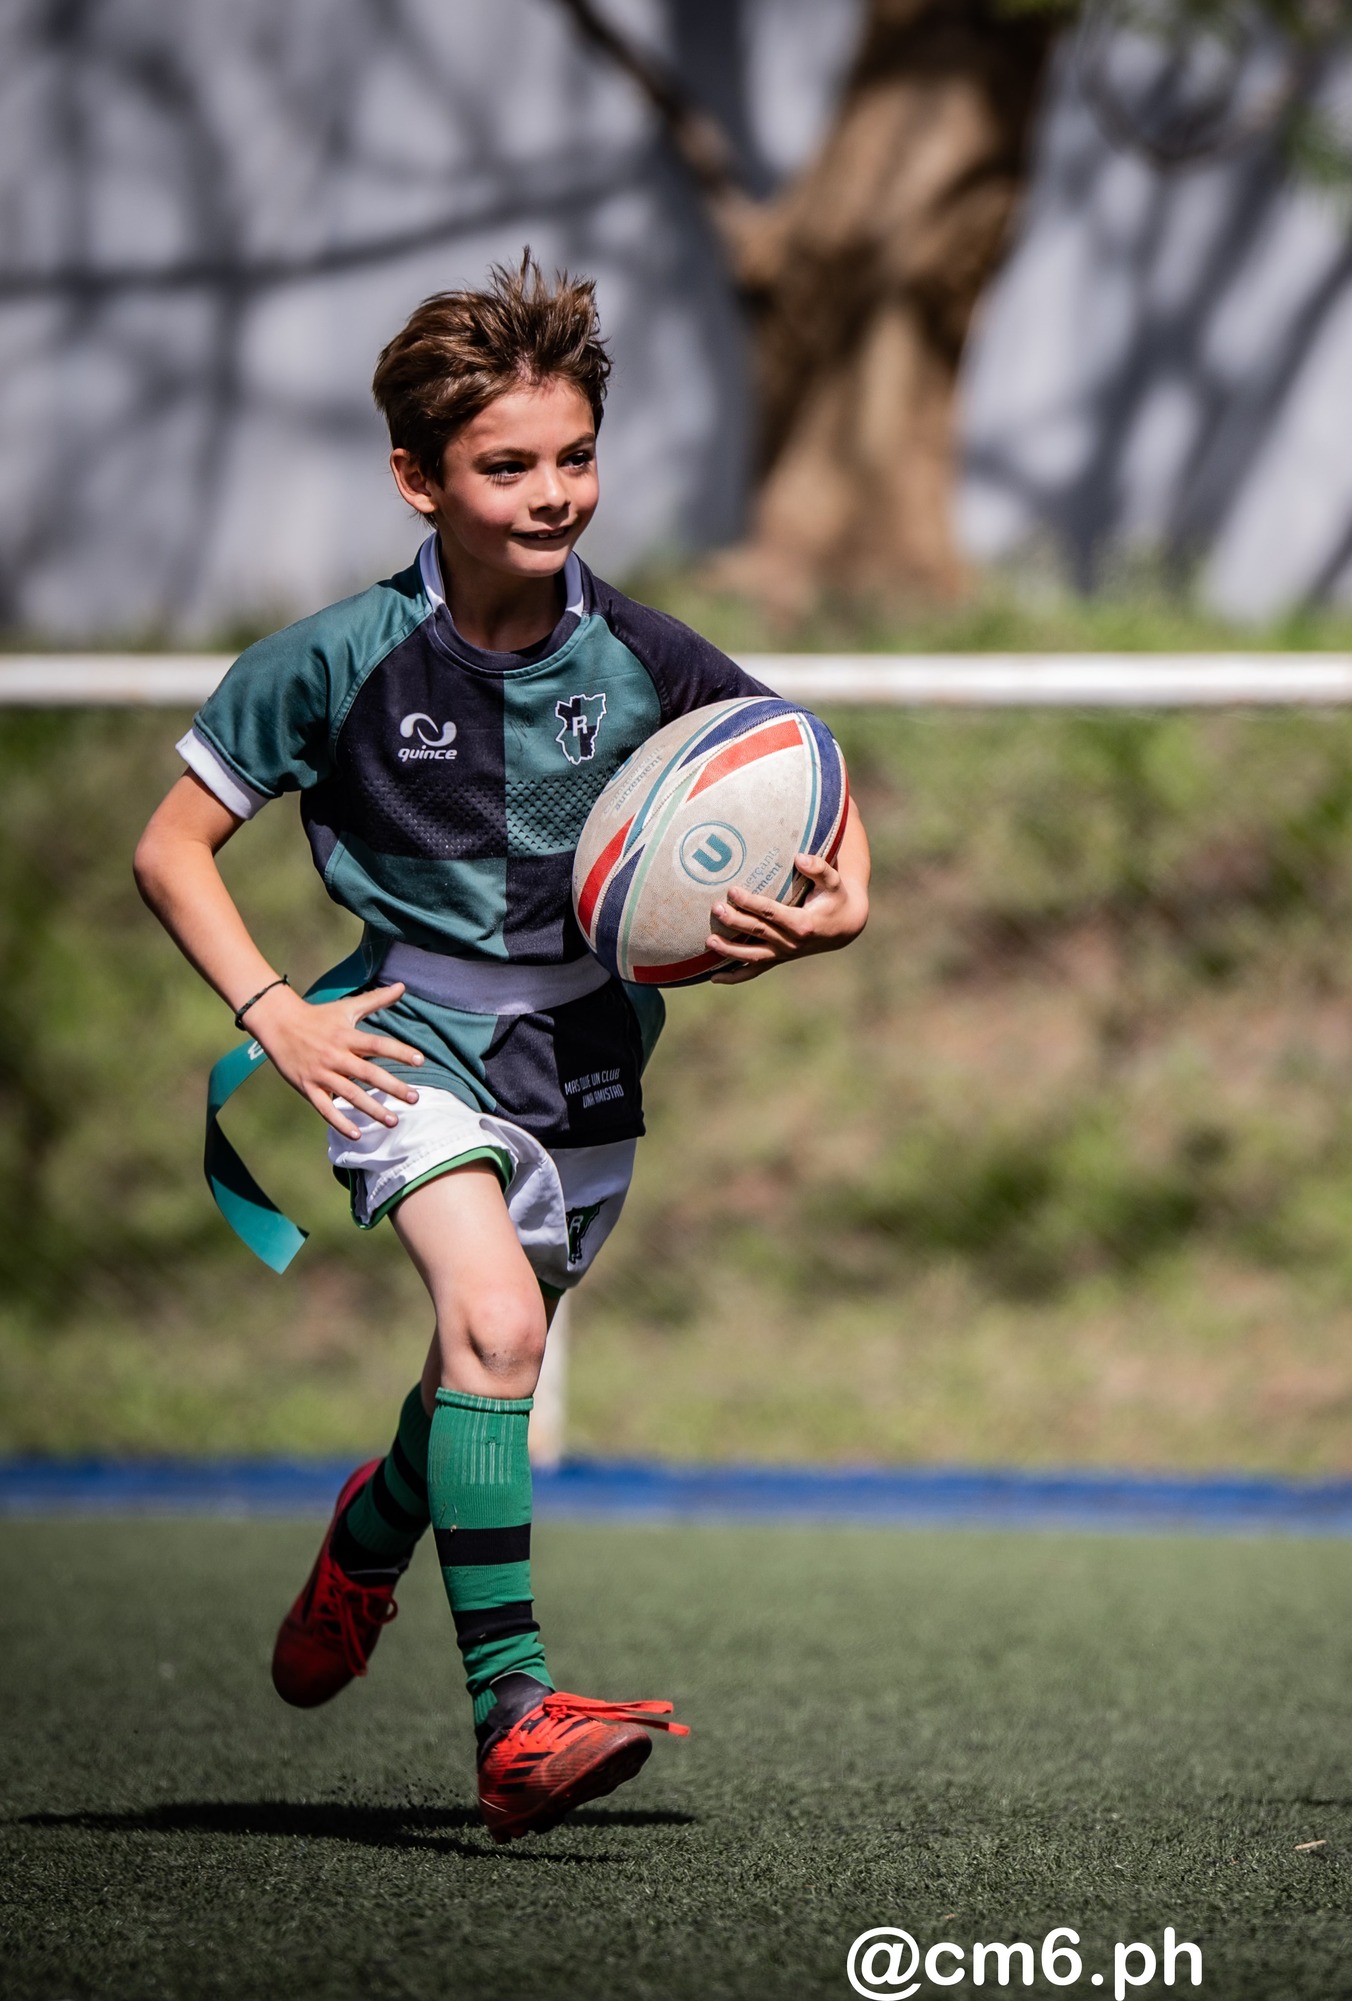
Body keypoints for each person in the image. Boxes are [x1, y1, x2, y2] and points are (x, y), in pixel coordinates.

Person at [133, 257, 871, 1842]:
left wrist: (843, 897)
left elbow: (799, 760)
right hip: (406, 1039)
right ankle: (515, 1715)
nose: (557, 494)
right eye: (509, 465)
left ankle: (374, 1532)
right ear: (419, 477)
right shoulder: (332, 659)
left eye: (579, 456)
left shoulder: (647, 655)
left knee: (483, 1362)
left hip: (592, 1057)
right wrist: (276, 1010)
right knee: (490, 1324)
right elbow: (171, 847)